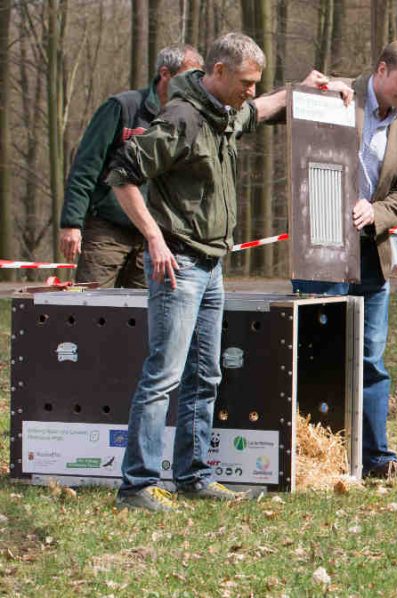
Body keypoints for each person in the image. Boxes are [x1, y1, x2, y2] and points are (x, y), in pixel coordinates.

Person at [106, 32, 353, 511]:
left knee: (205, 375)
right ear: (217, 72)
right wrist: (154, 238)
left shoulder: (221, 113)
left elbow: (258, 112)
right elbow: (122, 173)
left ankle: (193, 475)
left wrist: (302, 89)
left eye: (256, 82)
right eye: (245, 82)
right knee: (164, 376)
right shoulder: (182, 118)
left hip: (212, 265)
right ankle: (136, 485)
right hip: (178, 264)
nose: (251, 91)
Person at [292, 39, 397, 480]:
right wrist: (308, 90)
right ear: (381, 70)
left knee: (370, 358)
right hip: (321, 251)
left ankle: (377, 460)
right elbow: (282, 119)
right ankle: (307, 458)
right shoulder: (335, 97)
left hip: (372, 253)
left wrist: (377, 212)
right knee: (313, 353)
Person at [59, 45, 203, 287]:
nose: (193, 85)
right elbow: (86, 166)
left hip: (155, 237)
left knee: (144, 315)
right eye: (187, 77)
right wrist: (71, 223)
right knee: (92, 310)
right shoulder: (122, 108)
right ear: (165, 74)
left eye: (198, 79)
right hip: (107, 230)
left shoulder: (187, 119)